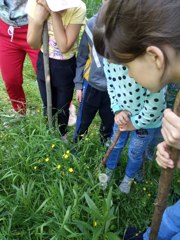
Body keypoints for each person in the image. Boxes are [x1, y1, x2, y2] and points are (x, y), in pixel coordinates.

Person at [103, 59, 166, 194]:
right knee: (116, 144)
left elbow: (156, 105)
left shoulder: (149, 68)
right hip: (122, 116)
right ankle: (109, 169)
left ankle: (128, 178)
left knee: (135, 151)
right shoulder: (108, 59)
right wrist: (117, 109)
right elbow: (111, 84)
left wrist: (135, 123)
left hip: (146, 121)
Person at [26, 0, 86, 141]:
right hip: (44, 61)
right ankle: (49, 132)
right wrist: (39, 20)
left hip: (65, 66)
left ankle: (62, 133)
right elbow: (33, 43)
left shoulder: (78, 7)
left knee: (63, 105)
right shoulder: (36, 3)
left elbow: (64, 46)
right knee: (48, 103)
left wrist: (54, 13)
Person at [73, 12, 114, 144]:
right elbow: (82, 57)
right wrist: (78, 85)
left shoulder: (126, 25)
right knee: (83, 122)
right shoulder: (92, 24)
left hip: (113, 89)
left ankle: (104, 148)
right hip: (91, 85)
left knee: (109, 123)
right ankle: (75, 148)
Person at [0, 0, 39, 115]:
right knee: (10, 79)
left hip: (34, 27)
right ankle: (20, 111)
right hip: (6, 30)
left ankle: (61, 111)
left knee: (46, 75)